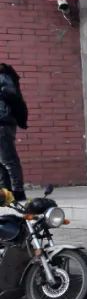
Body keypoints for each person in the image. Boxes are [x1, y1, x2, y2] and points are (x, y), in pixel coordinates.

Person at [0, 63, 28, 202]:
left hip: (3, 123)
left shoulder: (3, 77)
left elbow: (11, 95)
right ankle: (5, 192)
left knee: (8, 160)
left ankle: (18, 192)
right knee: (2, 161)